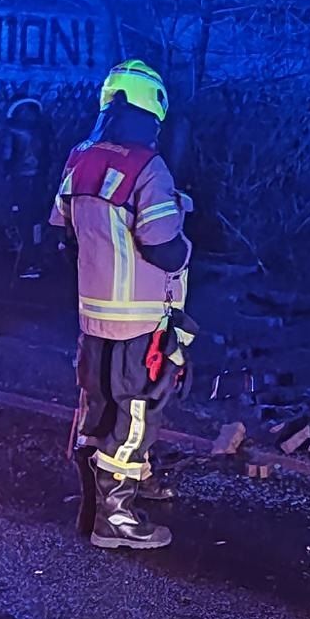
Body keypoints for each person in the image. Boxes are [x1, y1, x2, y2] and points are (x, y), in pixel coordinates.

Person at [52, 60, 197, 549]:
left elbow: (66, 227)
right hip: (139, 316)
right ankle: (116, 517)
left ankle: (99, 494)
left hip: (92, 312)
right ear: (152, 106)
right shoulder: (147, 166)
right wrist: (185, 242)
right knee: (138, 406)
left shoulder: (80, 156)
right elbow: (161, 243)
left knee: (98, 402)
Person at [3, 97, 59, 280]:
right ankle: (37, 257)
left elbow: (7, 156)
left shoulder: (12, 128)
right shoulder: (44, 128)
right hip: (40, 179)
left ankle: (28, 261)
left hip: (21, 180)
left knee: (23, 219)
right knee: (36, 219)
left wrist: (6, 173)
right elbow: (52, 153)